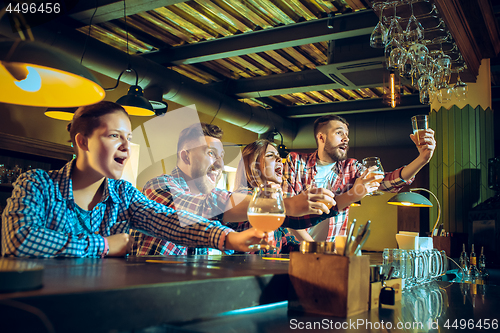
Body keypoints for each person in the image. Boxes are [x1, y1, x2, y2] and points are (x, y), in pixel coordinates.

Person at [1, 101, 265, 258]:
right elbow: (19, 240)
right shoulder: (36, 184)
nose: (126, 147)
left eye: (129, 138)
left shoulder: (124, 194)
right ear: (83, 141)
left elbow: (171, 222)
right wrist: (104, 245)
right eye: (115, 136)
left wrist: (229, 239)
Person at [130, 123, 336, 256]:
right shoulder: (159, 185)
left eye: (221, 157)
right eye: (211, 154)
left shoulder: (215, 198)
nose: (219, 164)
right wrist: (285, 205)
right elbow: (203, 206)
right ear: (186, 156)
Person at [282, 114, 436, 242]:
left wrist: (422, 159)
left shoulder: (351, 167)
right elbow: (287, 212)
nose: (346, 139)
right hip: (292, 250)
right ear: (321, 138)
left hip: (332, 252)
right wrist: (314, 249)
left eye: (347, 135)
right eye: (339, 133)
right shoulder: (296, 162)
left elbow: (388, 182)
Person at [230, 139, 315, 254]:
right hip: (245, 270)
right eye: (270, 155)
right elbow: (254, 249)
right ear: (253, 165)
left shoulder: (275, 202)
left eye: (278, 156)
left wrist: (317, 249)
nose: (280, 159)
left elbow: (288, 243)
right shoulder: (242, 197)